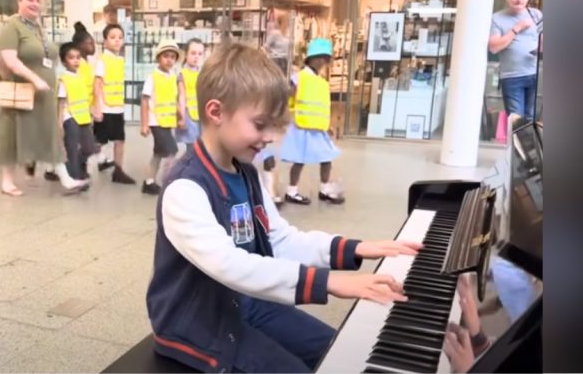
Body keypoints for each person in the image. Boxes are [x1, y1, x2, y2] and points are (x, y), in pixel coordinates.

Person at [146, 43, 421, 372]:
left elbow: (280, 239)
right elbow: (231, 265)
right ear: (216, 112)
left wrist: (359, 248)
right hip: (198, 323)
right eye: (260, 125)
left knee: (340, 354)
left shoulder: (246, 173)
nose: (270, 137)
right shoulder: (185, 187)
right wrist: (329, 283)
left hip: (247, 302)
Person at [0, 0, 86, 196]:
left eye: (37, 0)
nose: (34, 4)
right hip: (22, 92)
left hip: (42, 95)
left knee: (50, 133)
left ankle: (65, 177)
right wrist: (35, 79)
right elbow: (10, 60)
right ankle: (7, 181)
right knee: (13, 135)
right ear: (19, 0)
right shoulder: (11, 27)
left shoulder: (36, 28)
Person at [280, 38, 345, 205]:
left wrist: (327, 125)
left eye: (326, 57)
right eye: (321, 57)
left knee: (326, 157)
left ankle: (324, 190)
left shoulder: (322, 82)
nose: (323, 61)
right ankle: (292, 191)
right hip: (301, 125)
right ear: (311, 58)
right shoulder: (298, 77)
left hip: (318, 127)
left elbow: (322, 106)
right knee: (299, 160)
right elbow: (289, 96)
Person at [488, 0, 543, 121]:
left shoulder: (536, 14)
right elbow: (494, 47)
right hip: (512, 77)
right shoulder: (497, 18)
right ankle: (515, 144)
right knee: (516, 120)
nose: (520, 0)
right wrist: (517, 28)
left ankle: (529, 144)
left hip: (534, 74)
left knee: (530, 121)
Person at [93, 23, 136, 184]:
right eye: (112, 37)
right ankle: (79, 162)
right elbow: (97, 84)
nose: (117, 41)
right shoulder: (103, 61)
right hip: (105, 108)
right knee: (99, 141)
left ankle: (118, 171)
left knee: (120, 139)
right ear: (105, 42)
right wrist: (97, 108)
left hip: (117, 108)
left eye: (120, 37)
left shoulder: (119, 60)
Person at [140, 40, 182, 195]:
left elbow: (174, 99)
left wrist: (180, 117)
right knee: (172, 151)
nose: (169, 60)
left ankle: (149, 181)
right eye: (166, 56)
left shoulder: (173, 76)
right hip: (155, 121)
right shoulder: (152, 78)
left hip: (167, 121)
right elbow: (144, 101)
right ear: (159, 58)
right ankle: (168, 181)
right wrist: (144, 124)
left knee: (158, 153)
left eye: (172, 57)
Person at [57, 41, 96, 187]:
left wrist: (91, 113)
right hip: (70, 118)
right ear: (63, 61)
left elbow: (85, 98)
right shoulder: (63, 79)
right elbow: (60, 102)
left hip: (84, 117)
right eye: (71, 57)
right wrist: (59, 123)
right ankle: (75, 177)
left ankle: (78, 166)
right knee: (72, 149)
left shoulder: (81, 76)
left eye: (78, 57)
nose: (75, 61)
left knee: (89, 147)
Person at [174, 38, 204, 148]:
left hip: (201, 115)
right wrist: (181, 118)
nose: (197, 56)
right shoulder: (182, 74)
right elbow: (181, 97)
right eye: (193, 53)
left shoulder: (202, 73)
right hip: (188, 115)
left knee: (201, 146)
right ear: (186, 54)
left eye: (200, 54)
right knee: (192, 147)